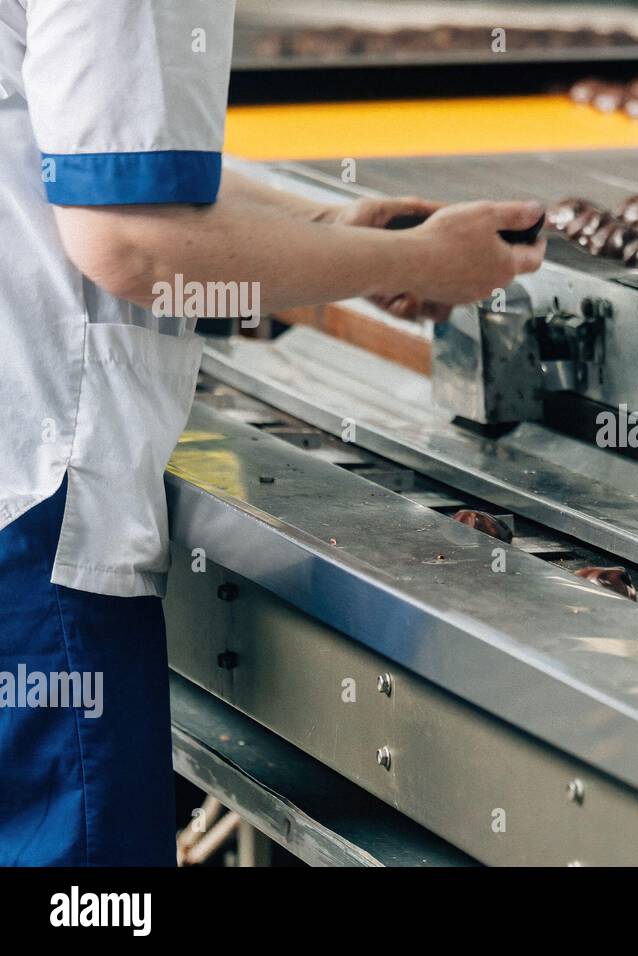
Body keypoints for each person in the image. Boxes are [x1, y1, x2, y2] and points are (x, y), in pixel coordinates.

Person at [0, 1, 545, 865]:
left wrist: (318, 230)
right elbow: (137, 248)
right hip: (30, 509)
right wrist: (413, 263)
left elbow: (86, 144)